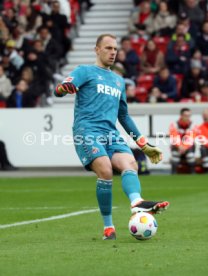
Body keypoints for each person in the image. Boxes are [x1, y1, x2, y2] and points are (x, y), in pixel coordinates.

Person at [54, 34, 169, 240]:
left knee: (130, 164)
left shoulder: (118, 80)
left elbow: (123, 115)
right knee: (106, 170)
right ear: (97, 50)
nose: (113, 52)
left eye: (115, 48)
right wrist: (63, 89)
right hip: (87, 131)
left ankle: (136, 202)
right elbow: (59, 90)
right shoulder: (84, 71)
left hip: (111, 134)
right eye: (108, 48)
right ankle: (108, 227)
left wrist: (144, 145)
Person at [169, 108, 196, 174]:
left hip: (188, 147)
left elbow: (191, 137)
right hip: (177, 146)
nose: (187, 118)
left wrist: (184, 147)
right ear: (181, 116)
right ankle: (174, 173)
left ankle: (192, 173)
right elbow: (174, 136)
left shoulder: (193, 125)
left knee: (190, 156)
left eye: (189, 116)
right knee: (175, 155)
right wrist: (180, 146)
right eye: (185, 115)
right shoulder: (174, 124)